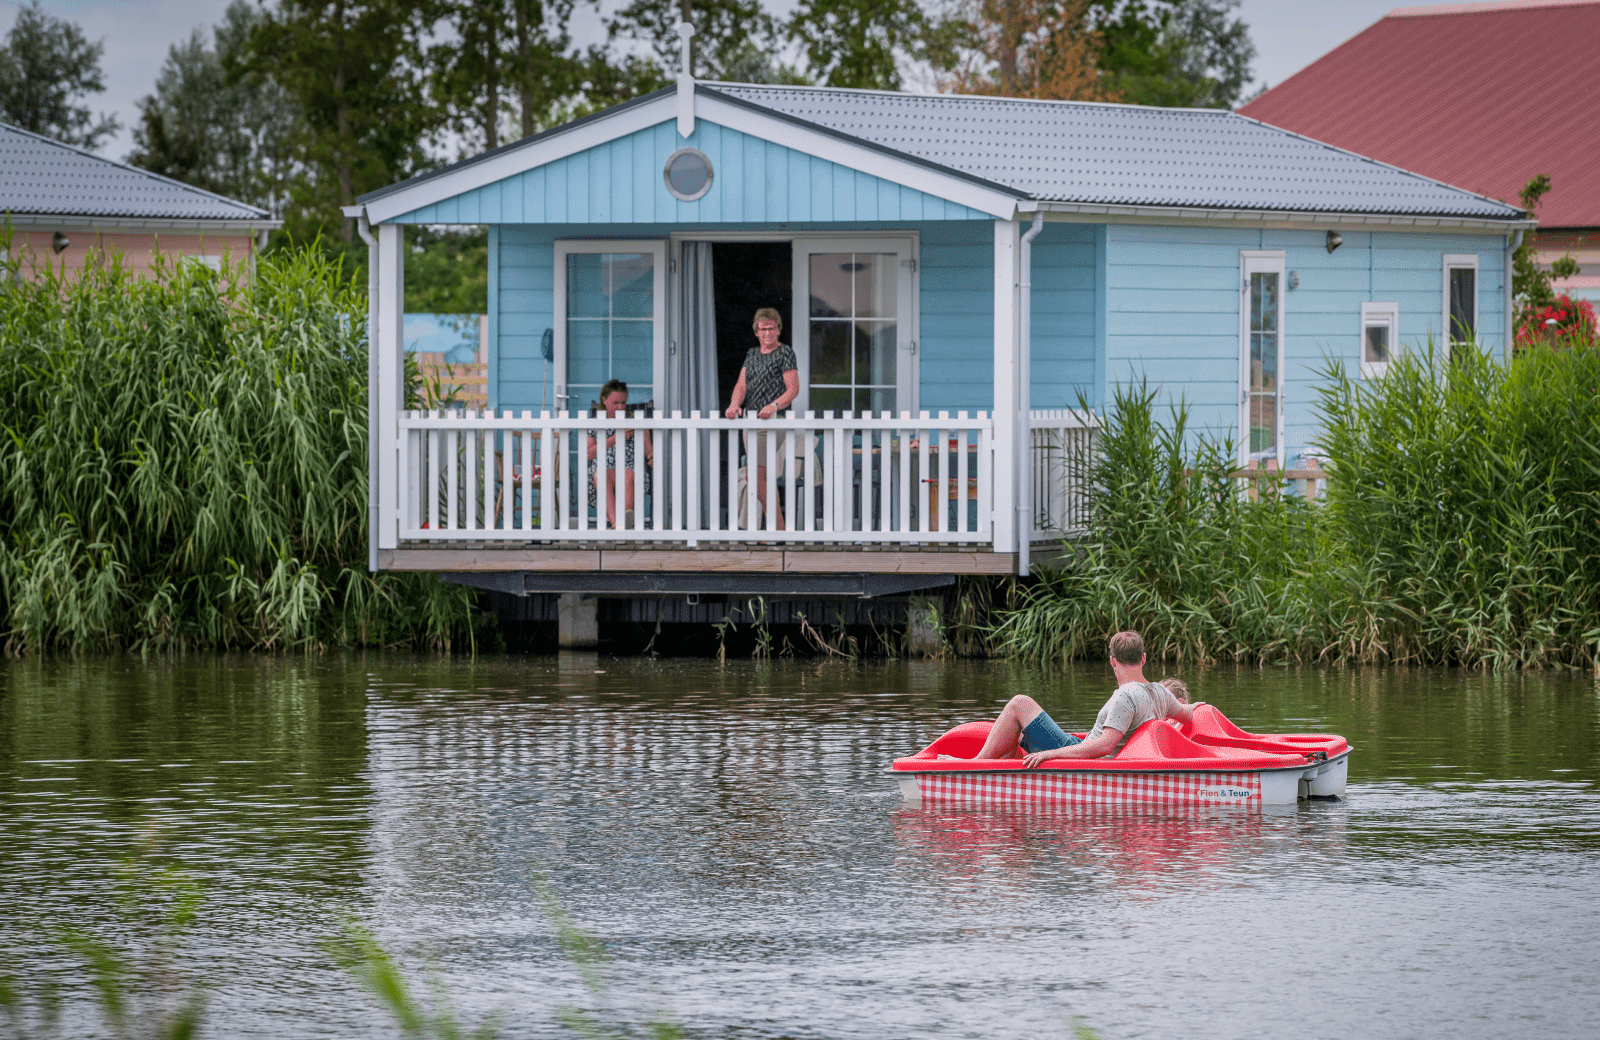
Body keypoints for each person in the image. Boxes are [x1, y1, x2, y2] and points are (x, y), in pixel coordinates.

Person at [969, 631, 1204, 767]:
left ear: (1112, 661)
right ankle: (1004, 768)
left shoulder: (1126, 696)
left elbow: (1105, 746)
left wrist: (1052, 754)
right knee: (1017, 729)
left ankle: (974, 765)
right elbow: (1187, 713)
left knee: (1020, 703)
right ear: (1143, 658)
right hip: (1078, 745)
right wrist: (1200, 706)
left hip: (1077, 752)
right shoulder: (1161, 692)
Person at [724, 307, 799, 530]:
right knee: (759, 476)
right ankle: (776, 529)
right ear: (756, 332)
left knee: (755, 475)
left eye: (771, 328)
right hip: (750, 420)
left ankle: (778, 528)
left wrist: (774, 406)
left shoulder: (785, 352)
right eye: (763, 329)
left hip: (773, 422)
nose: (767, 333)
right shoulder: (752, 354)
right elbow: (741, 384)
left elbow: (793, 389)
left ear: (779, 330)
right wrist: (734, 404)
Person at [587, 379, 652, 528]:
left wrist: (652, 458)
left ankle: (619, 525)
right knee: (601, 476)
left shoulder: (634, 422)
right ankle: (620, 525)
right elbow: (589, 454)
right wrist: (615, 438)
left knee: (627, 476)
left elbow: (649, 451)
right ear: (604, 400)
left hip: (630, 468)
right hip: (603, 469)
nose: (620, 407)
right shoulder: (596, 423)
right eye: (615, 403)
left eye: (623, 403)